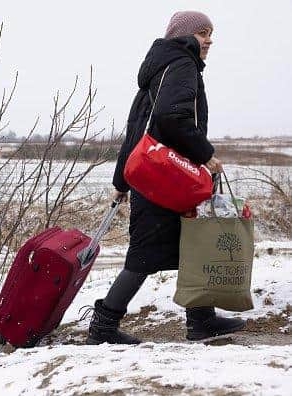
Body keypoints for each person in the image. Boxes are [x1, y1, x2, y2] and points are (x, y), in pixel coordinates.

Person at [86, 11, 245, 344]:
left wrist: (122, 182)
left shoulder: (158, 71)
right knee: (145, 255)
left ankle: (201, 321)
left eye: (211, 33)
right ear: (184, 36)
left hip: (155, 179)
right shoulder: (182, 65)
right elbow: (172, 118)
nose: (210, 40)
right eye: (203, 33)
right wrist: (206, 155)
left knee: (193, 246)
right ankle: (103, 327)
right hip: (170, 180)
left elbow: (135, 134)